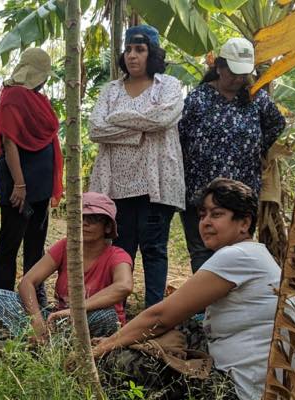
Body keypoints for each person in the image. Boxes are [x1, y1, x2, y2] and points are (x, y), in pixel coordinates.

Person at [92, 178, 290, 400]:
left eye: (216, 215)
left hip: (236, 393)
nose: (205, 222)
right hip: (261, 384)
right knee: (183, 327)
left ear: (244, 222)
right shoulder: (256, 254)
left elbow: (160, 317)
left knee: (117, 362)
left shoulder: (237, 256)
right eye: (202, 215)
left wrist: (103, 347)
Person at [88, 24, 186, 308]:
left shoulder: (168, 86)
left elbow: (162, 119)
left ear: (152, 54)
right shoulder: (111, 90)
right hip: (116, 186)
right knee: (121, 250)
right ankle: (115, 311)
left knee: (154, 250)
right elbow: (96, 128)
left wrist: (117, 118)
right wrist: (138, 131)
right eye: (129, 49)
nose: (132, 56)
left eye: (140, 50)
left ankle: (154, 315)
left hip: (155, 185)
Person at [178, 37, 286, 272]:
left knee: (237, 250)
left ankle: (232, 304)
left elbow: (277, 123)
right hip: (200, 189)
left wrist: (255, 148)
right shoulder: (198, 99)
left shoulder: (256, 98)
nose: (238, 79)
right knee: (202, 251)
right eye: (233, 73)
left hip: (241, 192)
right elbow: (179, 136)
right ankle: (204, 306)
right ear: (219, 67)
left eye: (243, 74)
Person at [0, 192, 133, 342]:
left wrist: (75, 310)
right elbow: (27, 282)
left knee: (106, 316)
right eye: (80, 217)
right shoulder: (65, 246)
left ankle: (45, 344)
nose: (85, 223)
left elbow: (124, 286)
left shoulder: (117, 255)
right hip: (59, 320)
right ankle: (46, 340)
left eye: (94, 219)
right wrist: (36, 319)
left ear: (108, 227)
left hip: (89, 318)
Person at [0, 48, 63, 294]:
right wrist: (19, 184)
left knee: (36, 242)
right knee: (10, 241)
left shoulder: (38, 98)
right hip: (19, 180)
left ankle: (33, 294)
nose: (45, 80)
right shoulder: (14, 97)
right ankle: (2, 297)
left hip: (40, 183)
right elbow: (10, 142)